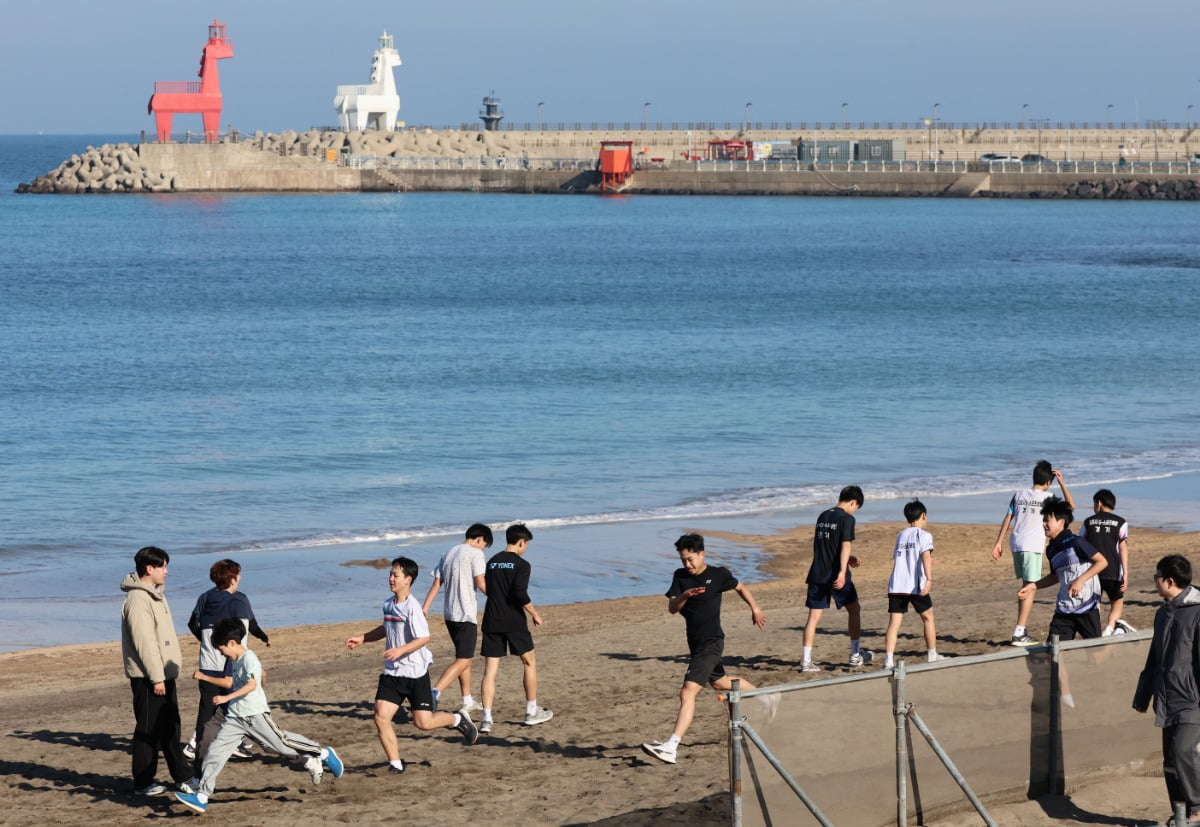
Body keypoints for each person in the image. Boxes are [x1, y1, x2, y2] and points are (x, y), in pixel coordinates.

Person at [173, 617, 344, 814]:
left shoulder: (249, 658)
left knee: (282, 743)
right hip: (235, 719)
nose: (221, 653)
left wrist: (226, 697)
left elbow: (251, 685)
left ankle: (323, 753)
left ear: (232, 643)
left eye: (221, 649)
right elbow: (235, 683)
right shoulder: (234, 660)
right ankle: (202, 796)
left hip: (254, 715)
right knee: (215, 753)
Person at [345, 556, 479, 775]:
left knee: (423, 723)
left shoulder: (413, 607)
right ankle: (396, 763)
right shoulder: (388, 604)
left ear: (408, 580)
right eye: (390, 574)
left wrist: (401, 650)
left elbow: (424, 638)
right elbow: (386, 628)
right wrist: (363, 638)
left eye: (396, 575)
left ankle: (457, 719)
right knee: (381, 717)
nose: (391, 578)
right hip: (392, 673)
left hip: (415, 674)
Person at [642, 533, 766, 765]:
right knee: (720, 682)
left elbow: (740, 587)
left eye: (690, 559)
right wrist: (685, 595)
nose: (687, 564)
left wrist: (755, 608)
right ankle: (768, 698)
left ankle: (671, 746)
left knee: (687, 692)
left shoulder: (718, 575)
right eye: (683, 560)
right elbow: (672, 608)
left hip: (712, 642)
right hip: (696, 644)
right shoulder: (680, 577)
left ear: (702, 554)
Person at [1133, 555, 1200, 826]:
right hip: (1166, 697)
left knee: (1184, 751)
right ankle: (1181, 813)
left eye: (1156, 577)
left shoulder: (1197, 612)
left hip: (1192, 700)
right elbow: (1155, 658)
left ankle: (1198, 806)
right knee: (1170, 760)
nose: (1155, 582)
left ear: (1169, 581)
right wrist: (1143, 695)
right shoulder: (1163, 613)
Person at [120, 545, 191, 797]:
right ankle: (142, 782)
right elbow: (145, 643)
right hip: (149, 677)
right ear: (149, 568)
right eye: (162, 566)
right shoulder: (138, 599)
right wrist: (157, 677)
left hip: (163, 673)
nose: (166, 571)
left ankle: (183, 776)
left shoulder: (155, 595)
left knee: (170, 727)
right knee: (148, 729)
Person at [185, 559, 271, 766]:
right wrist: (264, 637)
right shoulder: (239, 600)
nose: (240, 577)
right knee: (237, 704)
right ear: (232, 579)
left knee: (208, 709)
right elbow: (250, 626)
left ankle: (202, 746)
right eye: (238, 574)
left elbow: (192, 623)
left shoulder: (205, 597)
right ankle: (209, 744)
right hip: (231, 665)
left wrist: (207, 642)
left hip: (207, 662)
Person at [991, 460, 1075, 646]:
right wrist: (1062, 482)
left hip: (1016, 544)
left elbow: (1008, 517)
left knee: (1026, 585)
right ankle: (1019, 632)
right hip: (1032, 546)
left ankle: (1020, 629)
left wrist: (998, 542)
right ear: (1049, 482)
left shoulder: (1019, 494)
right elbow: (1070, 506)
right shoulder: (1049, 497)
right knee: (1030, 587)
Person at [479, 523, 553, 732]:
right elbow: (519, 593)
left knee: (490, 671)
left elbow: (490, 589)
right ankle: (531, 711)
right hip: (513, 620)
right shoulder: (522, 564)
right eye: (526, 544)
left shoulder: (492, 561)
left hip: (492, 618)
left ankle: (486, 719)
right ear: (521, 542)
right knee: (529, 662)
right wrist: (534, 613)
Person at [420, 523, 491, 712]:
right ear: (480, 539)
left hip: (449, 614)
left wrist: (425, 608)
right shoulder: (476, 554)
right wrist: (498, 598)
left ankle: (467, 700)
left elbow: (437, 584)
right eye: (484, 545)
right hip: (465, 613)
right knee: (464, 659)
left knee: (463, 657)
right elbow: (481, 583)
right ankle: (435, 692)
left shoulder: (448, 552)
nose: (483, 549)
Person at [1017, 496, 1107, 642]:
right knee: (1054, 650)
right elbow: (1055, 576)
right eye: (1043, 520)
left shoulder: (1076, 542)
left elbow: (1102, 562)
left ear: (1061, 522)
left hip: (1087, 606)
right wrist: (1033, 586)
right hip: (1064, 608)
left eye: (1047, 520)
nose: (1044, 524)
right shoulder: (1051, 549)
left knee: (1096, 651)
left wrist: (1080, 580)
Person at [801, 485, 869, 672]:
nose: (855, 511)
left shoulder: (823, 516)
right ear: (853, 502)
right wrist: (841, 571)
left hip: (817, 573)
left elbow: (827, 546)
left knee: (813, 617)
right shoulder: (847, 519)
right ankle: (855, 654)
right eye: (856, 507)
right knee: (854, 609)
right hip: (836, 574)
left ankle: (806, 661)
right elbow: (845, 545)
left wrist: (847, 559)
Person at [883, 500, 940, 668]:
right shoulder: (924, 535)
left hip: (896, 585)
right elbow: (925, 556)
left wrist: (926, 561)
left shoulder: (901, 535)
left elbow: (901, 556)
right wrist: (929, 579)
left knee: (894, 623)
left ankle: (888, 660)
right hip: (914, 585)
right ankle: (932, 655)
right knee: (928, 617)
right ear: (923, 515)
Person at [1078, 489, 1135, 637]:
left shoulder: (1088, 522)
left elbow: (1080, 544)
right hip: (1113, 570)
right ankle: (1109, 629)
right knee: (1117, 601)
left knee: (1094, 602)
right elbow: (1122, 548)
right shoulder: (1120, 522)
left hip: (1092, 570)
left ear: (1099, 503)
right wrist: (1125, 573)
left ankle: (1095, 629)